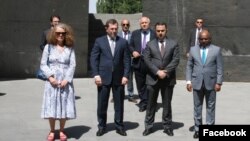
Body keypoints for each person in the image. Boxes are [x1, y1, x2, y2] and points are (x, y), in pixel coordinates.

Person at [90, 19, 130, 136]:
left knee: (119, 105)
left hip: (119, 78)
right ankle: (102, 126)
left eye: (115, 29)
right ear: (106, 29)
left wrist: (126, 75)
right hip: (103, 78)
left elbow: (127, 60)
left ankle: (119, 126)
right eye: (111, 29)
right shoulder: (99, 41)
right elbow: (94, 59)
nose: (114, 31)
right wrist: (96, 74)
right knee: (102, 104)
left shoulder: (123, 42)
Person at [142, 22, 180, 136]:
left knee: (167, 104)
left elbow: (176, 60)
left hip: (168, 79)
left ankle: (167, 126)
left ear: (166, 30)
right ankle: (148, 126)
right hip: (153, 78)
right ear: (155, 31)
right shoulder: (150, 44)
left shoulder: (174, 44)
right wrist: (157, 71)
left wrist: (166, 71)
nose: (160, 33)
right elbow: (147, 60)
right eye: (158, 31)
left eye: (162, 30)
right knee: (150, 104)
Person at [40, 23, 76, 141]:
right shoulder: (48, 47)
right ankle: (52, 130)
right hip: (52, 82)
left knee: (64, 106)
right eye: (58, 33)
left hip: (65, 82)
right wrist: (50, 77)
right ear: (53, 34)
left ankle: (61, 130)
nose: (60, 35)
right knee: (52, 106)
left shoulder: (70, 48)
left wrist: (67, 79)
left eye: (63, 33)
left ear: (66, 34)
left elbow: (72, 65)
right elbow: (43, 64)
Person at [186, 30, 223, 139]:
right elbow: (189, 66)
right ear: (199, 39)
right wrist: (188, 81)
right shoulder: (193, 50)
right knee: (197, 107)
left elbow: (220, 67)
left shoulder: (216, 50)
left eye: (206, 38)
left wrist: (219, 82)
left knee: (210, 106)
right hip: (196, 82)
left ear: (210, 39)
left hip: (211, 83)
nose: (203, 40)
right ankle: (198, 129)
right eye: (201, 39)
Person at [129, 16, 156, 112]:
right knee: (140, 85)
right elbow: (130, 45)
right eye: (142, 23)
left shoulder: (154, 34)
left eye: (146, 23)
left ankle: (149, 102)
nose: (144, 24)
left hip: (151, 63)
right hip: (138, 62)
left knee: (150, 84)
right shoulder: (135, 33)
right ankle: (144, 102)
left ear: (149, 23)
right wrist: (133, 52)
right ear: (140, 24)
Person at [117, 19, 137, 103]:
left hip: (129, 60)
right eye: (124, 24)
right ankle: (117, 95)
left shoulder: (133, 35)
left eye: (127, 24)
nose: (125, 26)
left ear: (129, 26)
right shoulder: (117, 34)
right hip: (118, 60)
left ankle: (131, 95)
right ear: (121, 25)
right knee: (117, 78)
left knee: (129, 79)